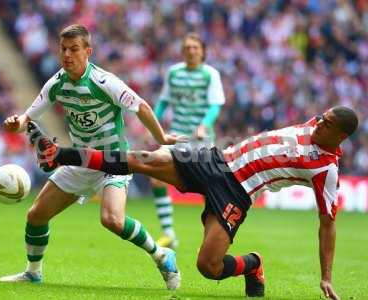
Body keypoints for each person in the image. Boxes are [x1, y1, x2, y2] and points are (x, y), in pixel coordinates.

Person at [29, 106, 358, 299]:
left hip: (236, 193)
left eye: (327, 123)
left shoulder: (325, 170)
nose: (318, 122)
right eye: (321, 117)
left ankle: (253, 264)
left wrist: (326, 276)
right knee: (144, 160)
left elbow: (328, 224)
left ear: (340, 137)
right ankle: (61, 154)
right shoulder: (318, 124)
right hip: (214, 160)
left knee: (208, 267)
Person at [0, 24, 182, 290]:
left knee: (112, 220)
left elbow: (140, 105)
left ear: (88, 51)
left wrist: (161, 137)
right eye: (63, 49)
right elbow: (29, 116)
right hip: (80, 161)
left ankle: (161, 254)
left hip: (113, 161)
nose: (67, 55)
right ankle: (33, 272)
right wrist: (15, 123)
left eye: (74, 49)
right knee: (36, 215)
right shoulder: (57, 83)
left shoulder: (103, 81)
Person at [151, 33, 225, 248]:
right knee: (155, 176)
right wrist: (153, 125)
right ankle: (169, 234)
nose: (191, 51)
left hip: (201, 140)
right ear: (183, 51)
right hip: (177, 136)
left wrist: (204, 124)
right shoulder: (174, 73)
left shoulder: (211, 74)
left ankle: (211, 237)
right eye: (187, 47)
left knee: (209, 189)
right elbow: (164, 101)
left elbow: (215, 105)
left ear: (202, 51)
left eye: (195, 47)